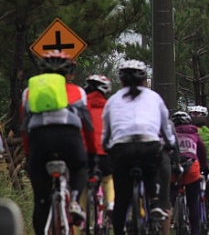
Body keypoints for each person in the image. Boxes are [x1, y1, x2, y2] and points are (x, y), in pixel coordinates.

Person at [20, 51, 96, 234]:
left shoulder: (29, 92)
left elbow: (24, 129)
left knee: (41, 199)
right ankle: (76, 201)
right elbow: (87, 127)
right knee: (79, 167)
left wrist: (29, 154)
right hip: (69, 139)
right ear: (69, 73)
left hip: (40, 140)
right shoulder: (78, 91)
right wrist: (91, 154)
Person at [102, 59, 176, 235]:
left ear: (121, 81)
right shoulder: (154, 97)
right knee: (152, 172)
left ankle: (119, 230)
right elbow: (166, 128)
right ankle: (155, 202)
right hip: (148, 146)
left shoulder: (112, 100)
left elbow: (106, 133)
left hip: (122, 149)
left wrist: (106, 147)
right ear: (144, 80)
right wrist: (171, 143)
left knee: (122, 198)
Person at [171, 111, 208, 235]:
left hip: (174, 168)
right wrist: (205, 167)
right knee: (193, 202)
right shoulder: (194, 134)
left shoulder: (170, 134)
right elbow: (202, 152)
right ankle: (195, 231)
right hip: (192, 168)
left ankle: (165, 221)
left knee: (169, 197)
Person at [83, 74, 115, 215]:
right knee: (107, 179)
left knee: (83, 185)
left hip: (84, 153)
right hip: (104, 153)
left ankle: (80, 214)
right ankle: (110, 204)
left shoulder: (81, 105)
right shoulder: (110, 108)